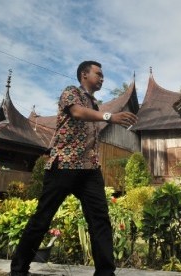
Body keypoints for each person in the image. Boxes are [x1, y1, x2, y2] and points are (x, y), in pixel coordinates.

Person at [10, 60, 138, 276]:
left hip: (90, 169)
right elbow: (77, 112)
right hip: (64, 165)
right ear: (84, 75)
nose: (102, 77)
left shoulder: (95, 105)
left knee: (100, 220)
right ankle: (18, 270)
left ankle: (105, 273)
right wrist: (110, 116)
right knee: (43, 217)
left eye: (103, 74)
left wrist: (104, 115)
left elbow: (90, 118)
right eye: (98, 73)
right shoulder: (71, 92)